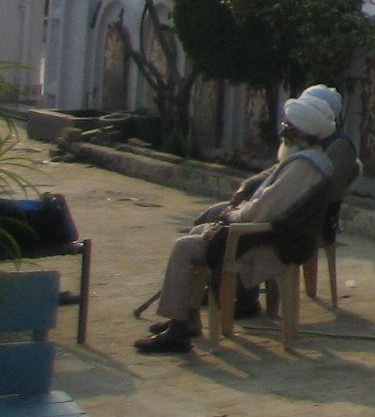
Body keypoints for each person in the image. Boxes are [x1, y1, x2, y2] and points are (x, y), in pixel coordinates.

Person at [134, 95, 337, 354]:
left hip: (269, 244)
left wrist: (231, 218)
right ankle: (187, 317)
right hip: (269, 235)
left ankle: (179, 329)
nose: (283, 129)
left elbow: (263, 209)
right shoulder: (309, 161)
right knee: (199, 231)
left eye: (288, 125)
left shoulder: (303, 167)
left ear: (300, 130)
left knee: (185, 247)